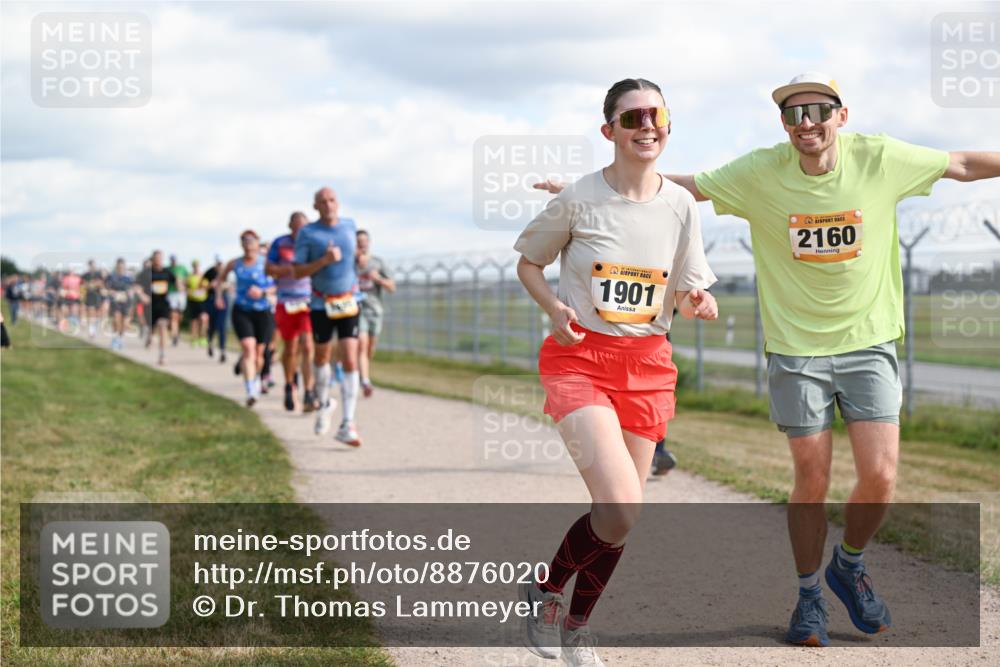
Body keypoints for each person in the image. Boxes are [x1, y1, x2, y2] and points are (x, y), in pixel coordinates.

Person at [514, 78, 718, 666]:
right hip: (580, 359)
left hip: (648, 365)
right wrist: (554, 307)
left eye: (656, 114)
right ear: (610, 131)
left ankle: (576, 626)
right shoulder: (579, 197)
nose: (646, 125)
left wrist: (697, 301)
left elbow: (685, 288)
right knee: (622, 505)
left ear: (669, 123)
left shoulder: (680, 205)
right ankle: (548, 592)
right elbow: (530, 264)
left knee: (620, 520)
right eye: (632, 118)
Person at [293, 187, 363, 446]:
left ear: (338, 203)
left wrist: (360, 260)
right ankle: (323, 402)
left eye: (332, 200)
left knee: (350, 356)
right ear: (315, 207)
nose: (329, 205)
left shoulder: (349, 226)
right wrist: (323, 261)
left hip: (349, 300)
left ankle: (348, 422)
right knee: (321, 356)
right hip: (321, 303)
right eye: (323, 201)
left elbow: (353, 259)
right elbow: (298, 271)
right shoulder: (308, 233)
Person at [267, 212, 319, 412]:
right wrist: (287, 270)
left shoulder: (312, 244)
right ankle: (289, 385)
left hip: (307, 302)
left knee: (307, 345)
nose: (299, 230)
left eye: (303, 227)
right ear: (290, 226)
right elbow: (268, 269)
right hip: (286, 301)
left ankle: (309, 391)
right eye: (296, 226)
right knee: (291, 349)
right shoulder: (280, 243)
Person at [216, 230, 276, 407]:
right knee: (248, 348)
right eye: (245, 241)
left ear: (258, 243)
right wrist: (219, 296)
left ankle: (256, 379)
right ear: (241, 244)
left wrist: (263, 292)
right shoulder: (235, 263)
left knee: (259, 354)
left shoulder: (266, 263)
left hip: (263, 311)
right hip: (242, 310)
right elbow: (220, 279)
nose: (249, 244)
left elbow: (278, 285)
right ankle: (251, 390)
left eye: (252, 241)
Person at [355, 229, 395, 397]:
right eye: (358, 241)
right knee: (362, 345)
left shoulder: (378, 262)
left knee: (370, 347)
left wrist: (377, 278)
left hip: (375, 309)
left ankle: (363, 371)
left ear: (369, 242)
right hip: (356, 309)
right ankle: (365, 381)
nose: (362, 243)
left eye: (364, 240)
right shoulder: (350, 263)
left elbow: (392, 287)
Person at [136, 251, 174, 365]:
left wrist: (183, 287)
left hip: (163, 304)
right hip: (150, 305)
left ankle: (162, 355)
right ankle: (149, 336)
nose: (158, 260)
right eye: (156, 258)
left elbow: (177, 282)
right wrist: (142, 295)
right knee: (151, 329)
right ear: (152, 259)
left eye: (160, 258)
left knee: (162, 325)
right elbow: (137, 287)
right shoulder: (146, 273)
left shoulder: (167, 272)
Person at [106, 258, 136, 350]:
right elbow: (107, 288)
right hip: (115, 301)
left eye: (122, 267)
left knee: (124, 323)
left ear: (124, 267)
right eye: (119, 267)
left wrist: (130, 292)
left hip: (127, 302)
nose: (120, 268)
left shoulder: (129, 277)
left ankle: (120, 338)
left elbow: (134, 288)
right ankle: (115, 339)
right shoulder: (112, 277)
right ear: (116, 267)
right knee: (116, 320)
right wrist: (113, 293)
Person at [203, 257, 228, 363]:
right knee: (212, 326)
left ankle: (222, 350)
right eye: (218, 264)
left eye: (221, 264)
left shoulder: (227, 273)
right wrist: (210, 285)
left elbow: (230, 285)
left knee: (221, 326)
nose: (220, 266)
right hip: (211, 301)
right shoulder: (209, 272)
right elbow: (201, 285)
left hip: (223, 301)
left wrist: (223, 286)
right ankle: (210, 343)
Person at [184, 260, 211, 348]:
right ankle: (194, 339)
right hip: (192, 301)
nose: (196, 267)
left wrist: (204, 288)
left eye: (197, 266)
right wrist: (188, 291)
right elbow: (185, 287)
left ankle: (202, 337)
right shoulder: (189, 277)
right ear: (192, 267)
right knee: (194, 321)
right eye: (194, 266)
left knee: (204, 319)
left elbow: (207, 287)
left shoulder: (203, 276)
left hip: (202, 300)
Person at [166, 254, 189, 347]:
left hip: (181, 294)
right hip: (172, 294)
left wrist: (182, 284)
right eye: (172, 260)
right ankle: (174, 336)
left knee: (179, 316)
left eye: (174, 260)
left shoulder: (182, 268)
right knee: (173, 316)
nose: (173, 261)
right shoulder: (167, 269)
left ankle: (176, 331)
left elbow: (187, 280)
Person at [81, 259, 106, 338]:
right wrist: (89, 285)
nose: (92, 267)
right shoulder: (85, 275)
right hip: (89, 296)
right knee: (91, 312)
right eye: (91, 265)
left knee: (98, 313)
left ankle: (95, 326)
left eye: (93, 265)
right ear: (89, 266)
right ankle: (91, 331)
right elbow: (83, 285)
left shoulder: (99, 274)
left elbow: (101, 284)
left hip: (98, 295)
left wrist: (95, 284)